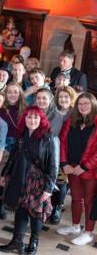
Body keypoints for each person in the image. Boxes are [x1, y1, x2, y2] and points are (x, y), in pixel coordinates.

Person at [0, 106, 58, 255]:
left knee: (36, 212)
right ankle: (17, 241)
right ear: (24, 119)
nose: (32, 120)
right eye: (29, 117)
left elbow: (53, 166)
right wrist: (5, 175)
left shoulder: (50, 138)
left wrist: (48, 189)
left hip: (38, 181)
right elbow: (13, 158)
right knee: (20, 209)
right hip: (19, 177)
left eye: (36, 117)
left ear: (41, 119)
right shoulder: (22, 136)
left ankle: (33, 242)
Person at [57, 93, 97, 245]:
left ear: (93, 105)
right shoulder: (71, 121)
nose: (83, 106)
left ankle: (88, 232)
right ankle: (75, 227)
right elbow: (62, 143)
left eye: (87, 103)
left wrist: (85, 166)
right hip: (71, 167)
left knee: (89, 202)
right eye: (80, 104)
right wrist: (64, 163)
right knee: (75, 198)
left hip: (90, 171)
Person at [48, 85, 76, 225]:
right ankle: (49, 205)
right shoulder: (53, 111)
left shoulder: (74, 114)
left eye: (66, 96)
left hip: (66, 153)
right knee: (49, 179)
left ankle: (57, 207)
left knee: (61, 181)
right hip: (50, 150)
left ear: (71, 98)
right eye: (61, 97)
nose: (63, 99)